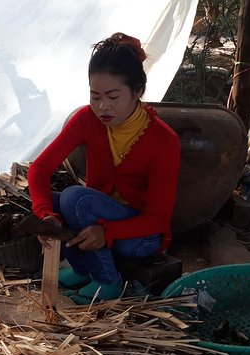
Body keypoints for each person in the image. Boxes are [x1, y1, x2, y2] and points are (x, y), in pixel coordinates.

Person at [27, 33, 180, 304]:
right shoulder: (86, 119)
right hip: (98, 216)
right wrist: (45, 214)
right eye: (94, 96)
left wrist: (108, 232)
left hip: (139, 237)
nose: (102, 107)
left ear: (138, 92)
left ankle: (107, 281)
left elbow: (157, 219)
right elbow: (39, 168)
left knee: (75, 198)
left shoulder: (164, 140)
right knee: (51, 203)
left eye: (112, 96)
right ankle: (83, 269)